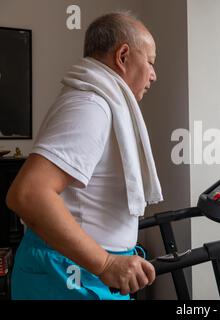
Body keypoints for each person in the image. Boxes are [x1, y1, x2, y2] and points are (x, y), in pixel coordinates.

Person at [6, 12, 163, 300]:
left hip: (84, 272)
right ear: (123, 55)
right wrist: (106, 263)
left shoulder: (94, 100)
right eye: (150, 62)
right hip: (69, 275)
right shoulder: (91, 106)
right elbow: (28, 194)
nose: (153, 74)